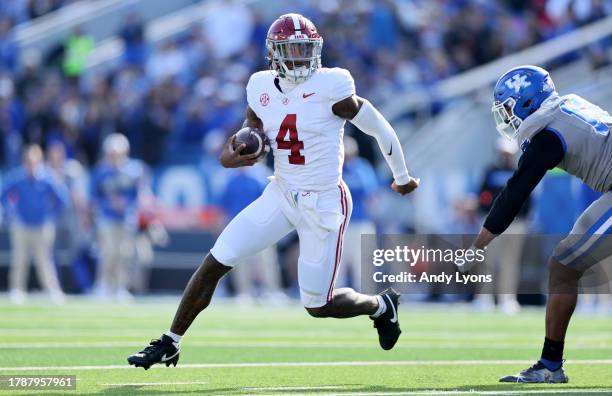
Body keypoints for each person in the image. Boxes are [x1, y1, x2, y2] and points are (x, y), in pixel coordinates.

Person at [128, 13, 419, 370]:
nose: (299, 57)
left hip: (324, 201)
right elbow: (239, 143)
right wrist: (235, 157)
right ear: (273, 54)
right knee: (217, 259)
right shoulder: (260, 86)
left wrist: (401, 174)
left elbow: (376, 124)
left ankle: (379, 306)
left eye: (305, 49)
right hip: (281, 193)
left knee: (318, 306)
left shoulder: (332, 84)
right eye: (291, 49)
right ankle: (170, 341)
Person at [457, 65, 612, 383]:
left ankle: (550, 365)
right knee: (564, 265)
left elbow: (514, 193)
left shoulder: (548, 134)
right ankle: (550, 364)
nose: (507, 118)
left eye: (510, 109)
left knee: (564, 266)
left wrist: (477, 246)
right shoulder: (567, 104)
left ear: (527, 102)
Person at [1, 144, 67, 304]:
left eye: (34, 161)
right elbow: (2, 194)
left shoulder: (47, 178)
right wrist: (10, 214)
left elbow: (62, 199)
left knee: (44, 260)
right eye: (28, 161)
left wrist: (51, 217)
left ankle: (51, 290)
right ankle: (17, 289)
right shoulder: (17, 177)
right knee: (19, 258)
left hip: (42, 226)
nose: (31, 164)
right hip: (21, 225)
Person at [473, 137, 530, 314]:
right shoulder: (490, 172)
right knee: (487, 261)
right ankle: (484, 297)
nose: (505, 157)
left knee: (510, 262)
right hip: (492, 222)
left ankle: (507, 298)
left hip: (515, 223)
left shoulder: (520, 170)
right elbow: (482, 197)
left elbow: (527, 199)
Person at [90, 133, 147, 301]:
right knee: (108, 252)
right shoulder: (101, 171)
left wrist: (127, 204)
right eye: (112, 154)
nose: (114, 157)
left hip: (127, 218)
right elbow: (94, 197)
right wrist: (109, 204)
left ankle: (121, 287)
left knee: (125, 254)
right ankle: (102, 284)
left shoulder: (133, 171)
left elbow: (139, 195)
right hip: (106, 217)